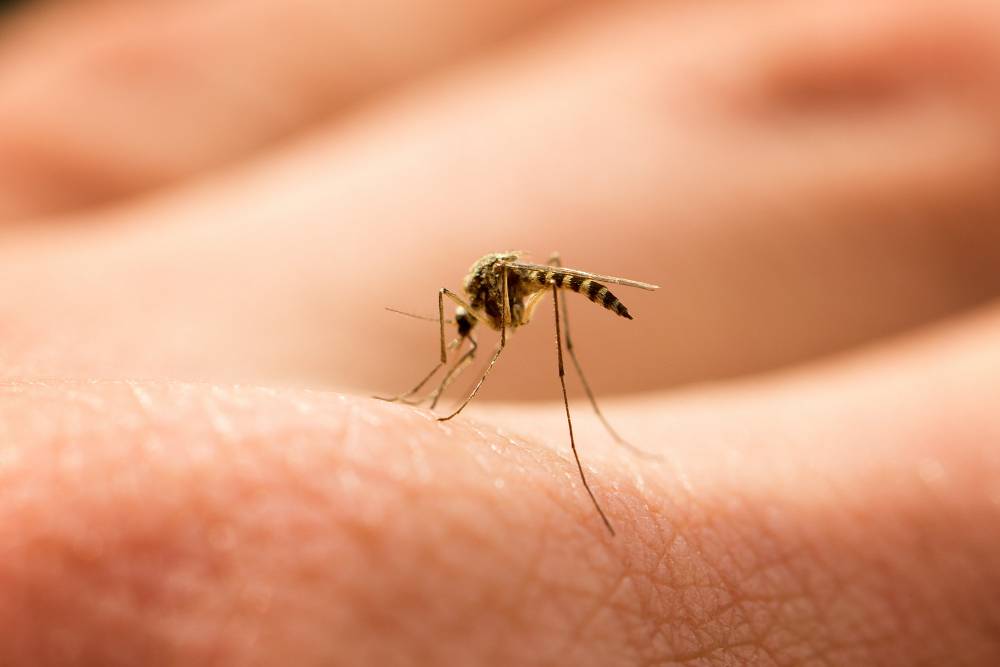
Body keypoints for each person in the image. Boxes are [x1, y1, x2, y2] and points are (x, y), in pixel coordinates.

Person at [1, 0, 999, 664]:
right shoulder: (472, 297)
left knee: (551, 321)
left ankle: (579, 421)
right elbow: (471, 307)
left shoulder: (509, 292)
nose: (470, 327)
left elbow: (515, 295)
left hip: (547, 274)